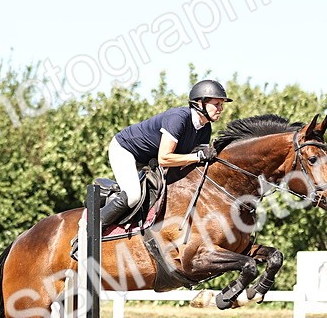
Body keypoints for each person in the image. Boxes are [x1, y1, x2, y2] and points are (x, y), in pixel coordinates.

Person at [99, 79, 233, 227]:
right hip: (126, 149)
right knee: (133, 196)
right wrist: (198, 156)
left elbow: (194, 164)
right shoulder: (178, 118)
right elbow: (164, 158)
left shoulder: (205, 128)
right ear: (200, 103)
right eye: (217, 104)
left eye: (222, 105)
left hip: (150, 158)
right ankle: (91, 229)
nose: (221, 109)